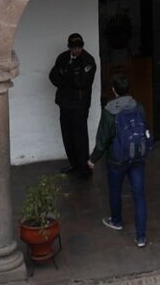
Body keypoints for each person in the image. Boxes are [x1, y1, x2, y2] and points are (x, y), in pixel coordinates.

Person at [89, 72, 151, 248]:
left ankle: (116, 220)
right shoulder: (138, 106)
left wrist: (93, 159)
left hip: (117, 159)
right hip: (137, 156)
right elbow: (144, 127)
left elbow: (103, 139)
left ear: (114, 90)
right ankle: (141, 236)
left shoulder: (110, 110)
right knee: (139, 195)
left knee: (115, 191)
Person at [49, 32, 97, 178]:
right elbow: (53, 76)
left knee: (80, 136)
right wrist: (69, 79)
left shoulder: (88, 61)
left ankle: (84, 167)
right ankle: (74, 163)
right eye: (74, 47)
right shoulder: (63, 58)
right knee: (67, 134)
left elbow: (82, 83)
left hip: (79, 104)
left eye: (79, 47)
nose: (77, 50)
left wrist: (66, 77)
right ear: (69, 47)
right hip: (65, 103)